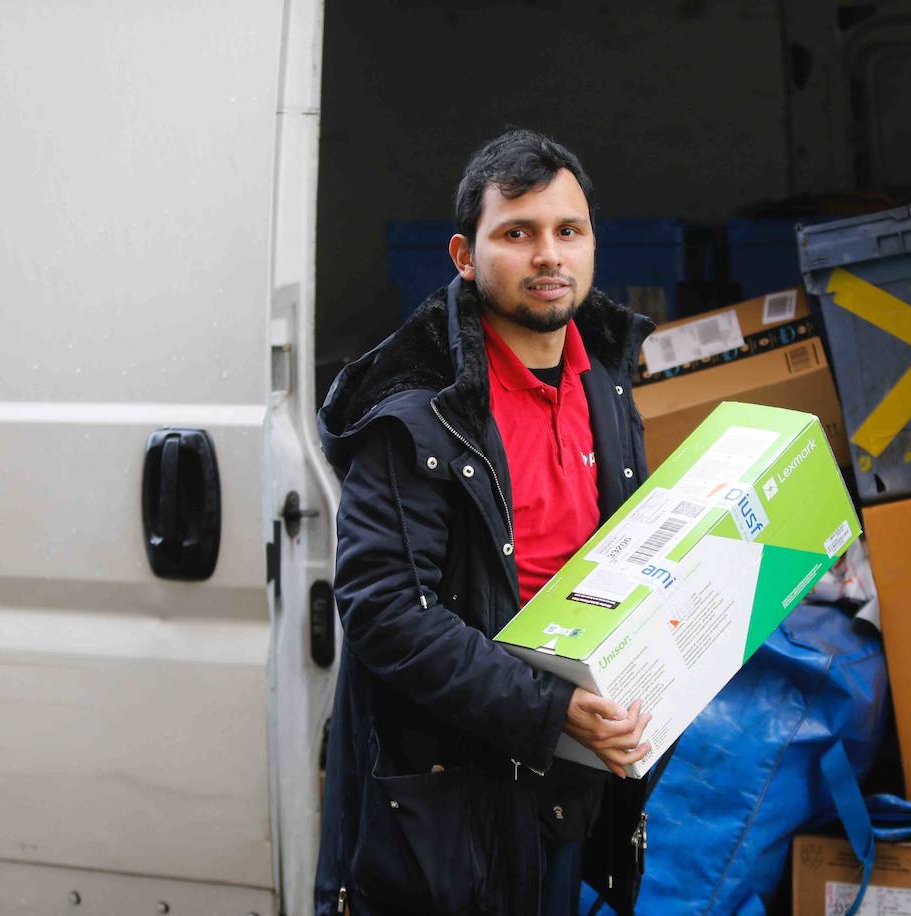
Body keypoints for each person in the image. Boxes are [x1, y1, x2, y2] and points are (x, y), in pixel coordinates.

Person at [314, 129, 658, 916]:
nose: (549, 254)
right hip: (448, 807)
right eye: (518, 233)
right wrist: (546, 710)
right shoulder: (414, 415)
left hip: (567, 774)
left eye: (568, 231)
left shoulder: (603, 383)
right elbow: (385, 611)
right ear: (465, 257)